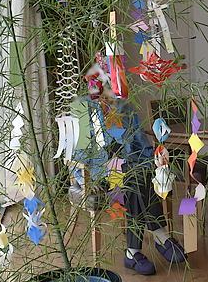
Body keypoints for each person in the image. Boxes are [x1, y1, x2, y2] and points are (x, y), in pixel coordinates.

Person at [79, 96, 187, 276]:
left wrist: (153, 162)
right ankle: (160, 235)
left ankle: (133, 252)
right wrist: (88, 180)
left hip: (130, 167)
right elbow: (77, 151)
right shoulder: (83, 109)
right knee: (135, 176)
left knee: (141, 173)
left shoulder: (124, 107)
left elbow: (141, 144)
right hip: (102, 174)